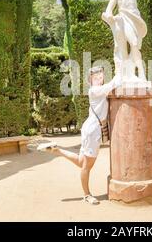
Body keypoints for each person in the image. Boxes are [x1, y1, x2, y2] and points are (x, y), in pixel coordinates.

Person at [38, 67, 122, 205]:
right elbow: (114, 83)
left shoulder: (100, 90)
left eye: (101, 75)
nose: (100, 77)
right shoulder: (95, 90)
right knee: (86, 166)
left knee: (82, 162)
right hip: (92, 131)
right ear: (91, 79)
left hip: (91, 129)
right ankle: (87, 195)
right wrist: (121, 70)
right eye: (96, 76)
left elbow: (112, 87)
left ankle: (56, 150)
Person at [102, 0, 148, 82]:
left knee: (136, 46)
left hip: (135, 18)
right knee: (134, 43)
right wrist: (109, 16)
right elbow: (108, 10)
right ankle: (140, 72)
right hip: (124, 19)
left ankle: (132, 72)